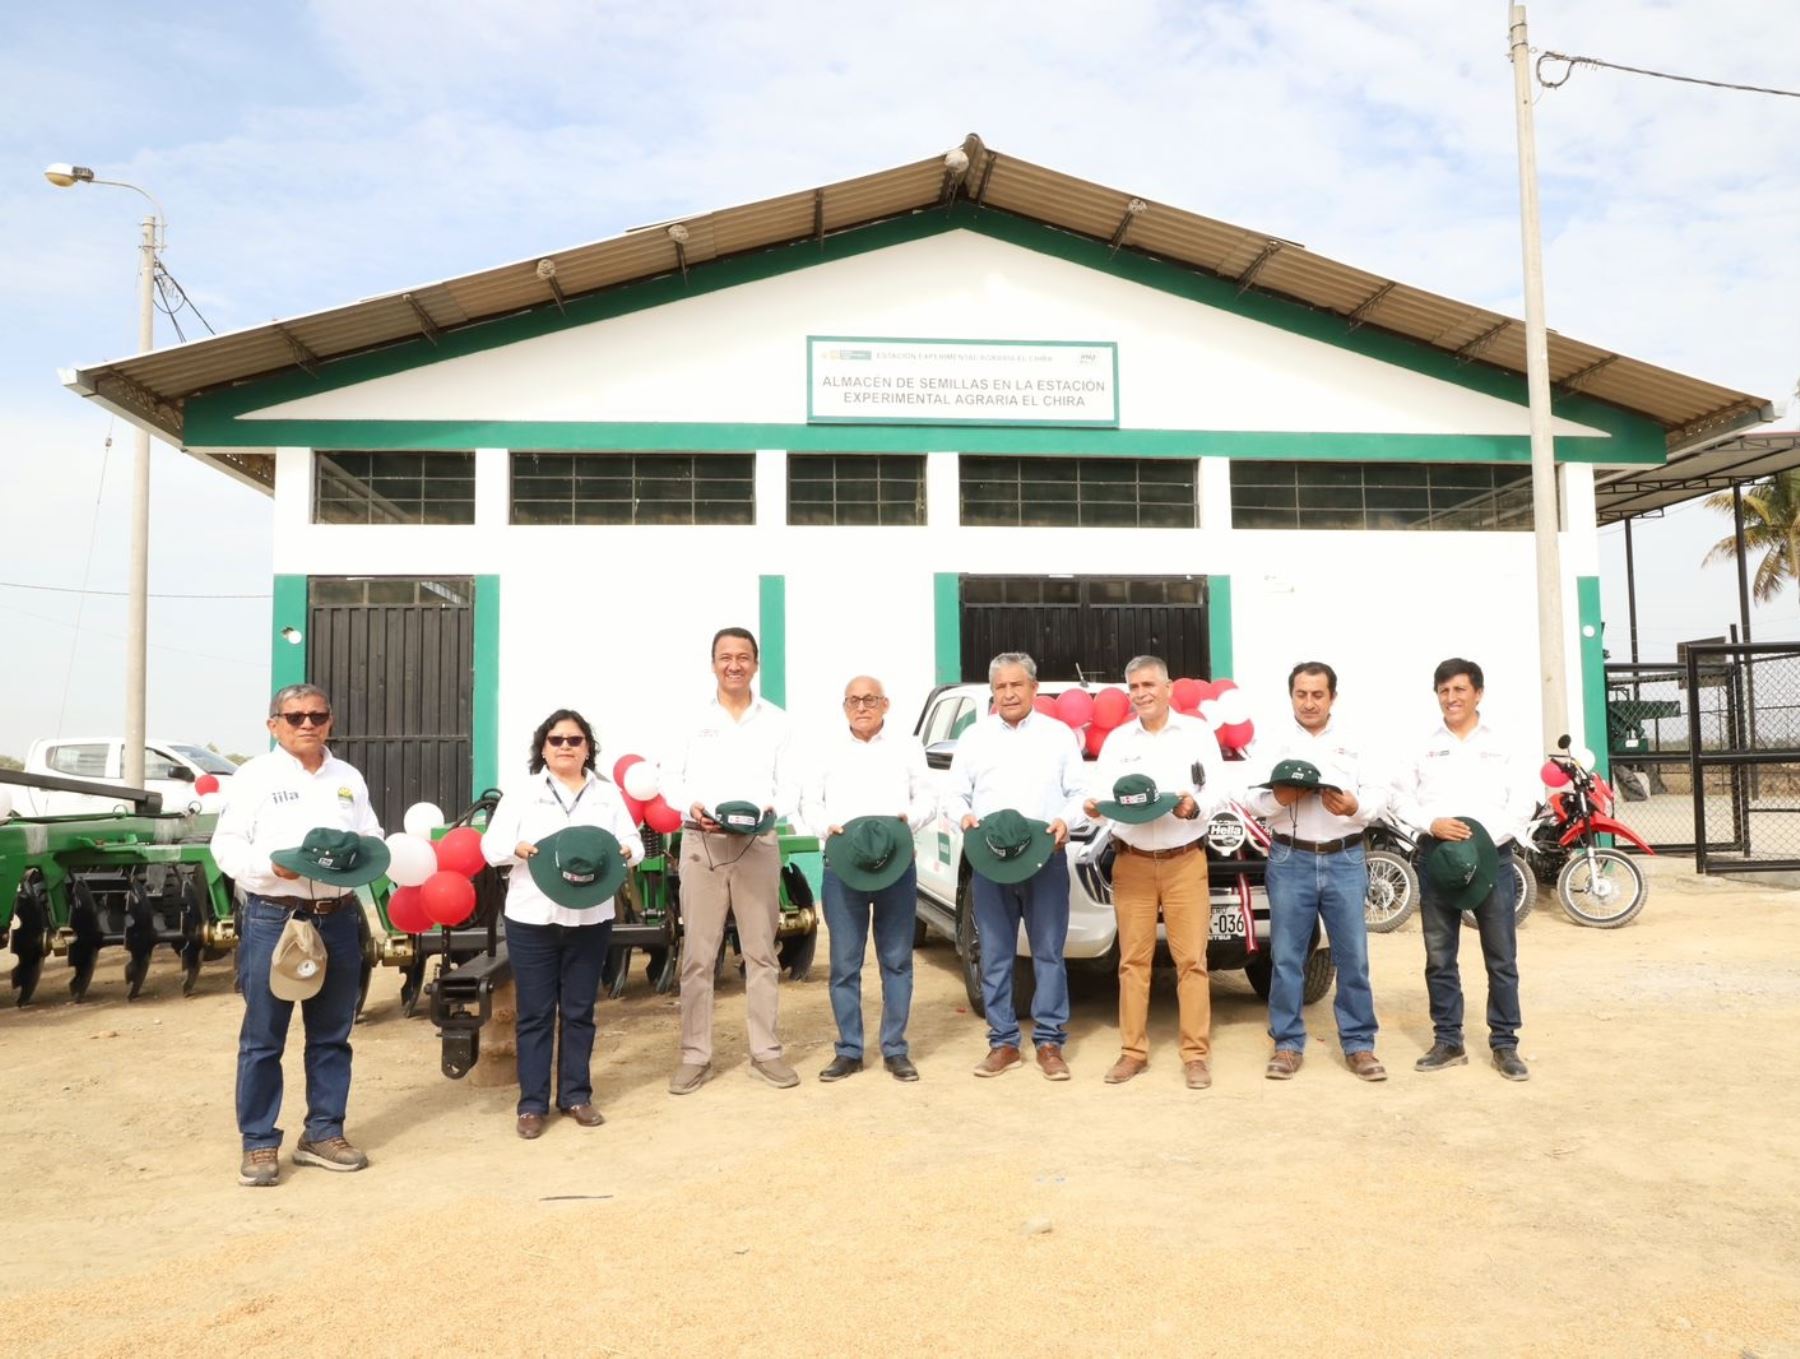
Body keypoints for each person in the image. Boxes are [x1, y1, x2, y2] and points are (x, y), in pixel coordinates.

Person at [212, 682, 382, 1188]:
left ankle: (324, 1133)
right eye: (294, 717)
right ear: (273, 725)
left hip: (337, 916)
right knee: (264, 1037)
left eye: (317, 715)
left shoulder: (347, 778)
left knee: (332, 1034)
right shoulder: (253, 777)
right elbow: (225, 846)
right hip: (274, 916)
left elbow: (370, 835)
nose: (306, 724)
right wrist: (271, 869)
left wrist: (360, 857)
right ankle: (260, 1141)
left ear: (330, 721)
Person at [482, 709, 643, 1138]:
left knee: (579, 1011)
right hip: (533, 915)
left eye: (575, 740)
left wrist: (628, 854)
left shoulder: (607, 795)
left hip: (590, 915)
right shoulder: (523, 793)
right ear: (543, 748)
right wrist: (518, 848)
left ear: (588, 747)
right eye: (557, 740)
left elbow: (631, 841)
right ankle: (531, 1104)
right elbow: (491, 846)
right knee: (535, 1013)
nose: (566, 747)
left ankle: (576, 1095)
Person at [663, 627, 798, 1094]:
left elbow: (790, 785)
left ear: (756, 664)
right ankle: (694, 1055)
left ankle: (767, 1052)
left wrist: (767, 811)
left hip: (756, 845)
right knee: (698, 955)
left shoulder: (777, 721)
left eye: (743, 657)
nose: (734, 664)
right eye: (725, 657)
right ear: (714, 664)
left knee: (762, 953)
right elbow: (671, 779)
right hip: (702, 844)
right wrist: (693, 806)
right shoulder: (691, 720)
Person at [1391, 657, 1536, 1081]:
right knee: (1439, 956)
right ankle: (1448, 1040)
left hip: (1494, 859)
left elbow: (1524, 798)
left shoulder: (1504, 741)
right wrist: (1429, 824)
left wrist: (1485, 841)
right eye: (1443, 691)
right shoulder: (1422, 743)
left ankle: (1505, 1044)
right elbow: (1399, 797)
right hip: (1439, 859)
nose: (1451, 698)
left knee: (1501, 957)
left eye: (1459, 690)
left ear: (1478, 693)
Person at [1085, 656, 1226, 1089]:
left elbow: (1220, 790)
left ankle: (1195, 1055)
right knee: (1133, 962)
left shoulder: (1197, 734)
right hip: (1134, 860)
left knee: (1192, 962)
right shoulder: (1117, 741)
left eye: (1149, 684)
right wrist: (1095, 811)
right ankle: (1132, 1052)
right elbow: (1100, 795)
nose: (1141, 693)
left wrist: (1195, 806)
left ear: (1168, 688)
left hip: (1185, 858)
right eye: (1134, 687)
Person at [1242, 661, 1387, 1082]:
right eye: (1301, 694)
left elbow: (1380, 795)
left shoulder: (1356, 741)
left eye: (1317, 695)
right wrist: (1280, 798)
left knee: (1353, 958)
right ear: (1291, 696)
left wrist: (1354, 806)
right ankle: (1287, 1044)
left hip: (1345, 857)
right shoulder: (1272, 742)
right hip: (1291, 859)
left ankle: (1359, 1044)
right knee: (1287, 958)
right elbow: (1252, 800)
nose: (1309, 703)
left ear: (1332, 698)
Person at [948, 651, 1087, 1080]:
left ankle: (1049, 1042)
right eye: (1001, 687)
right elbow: (954, 794)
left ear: (1033, 687)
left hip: (1046, 859)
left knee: (1048, 954)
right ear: (993, 691)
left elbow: (1080, 792)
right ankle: (1003, 1042)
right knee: (994, 954)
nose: (1008, 693)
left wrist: (1067, 819)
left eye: (1016, 685)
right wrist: (964, 817)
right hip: (991, 862)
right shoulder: (974, 738)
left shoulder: (1059, 735)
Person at [801, 675, 937, 1083]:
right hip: (842, 868)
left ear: (886, 704)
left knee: (896, 961)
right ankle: (849, 1050)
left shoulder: (908, 747)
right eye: (853, 700)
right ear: (844, 706)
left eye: (870, 699)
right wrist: (829, 828)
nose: (862, 707)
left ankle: (895, 1049)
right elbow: (809, 800)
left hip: (896, 867)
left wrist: (907, 821)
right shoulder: (825, 749)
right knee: (844, 964)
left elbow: (928, 796)